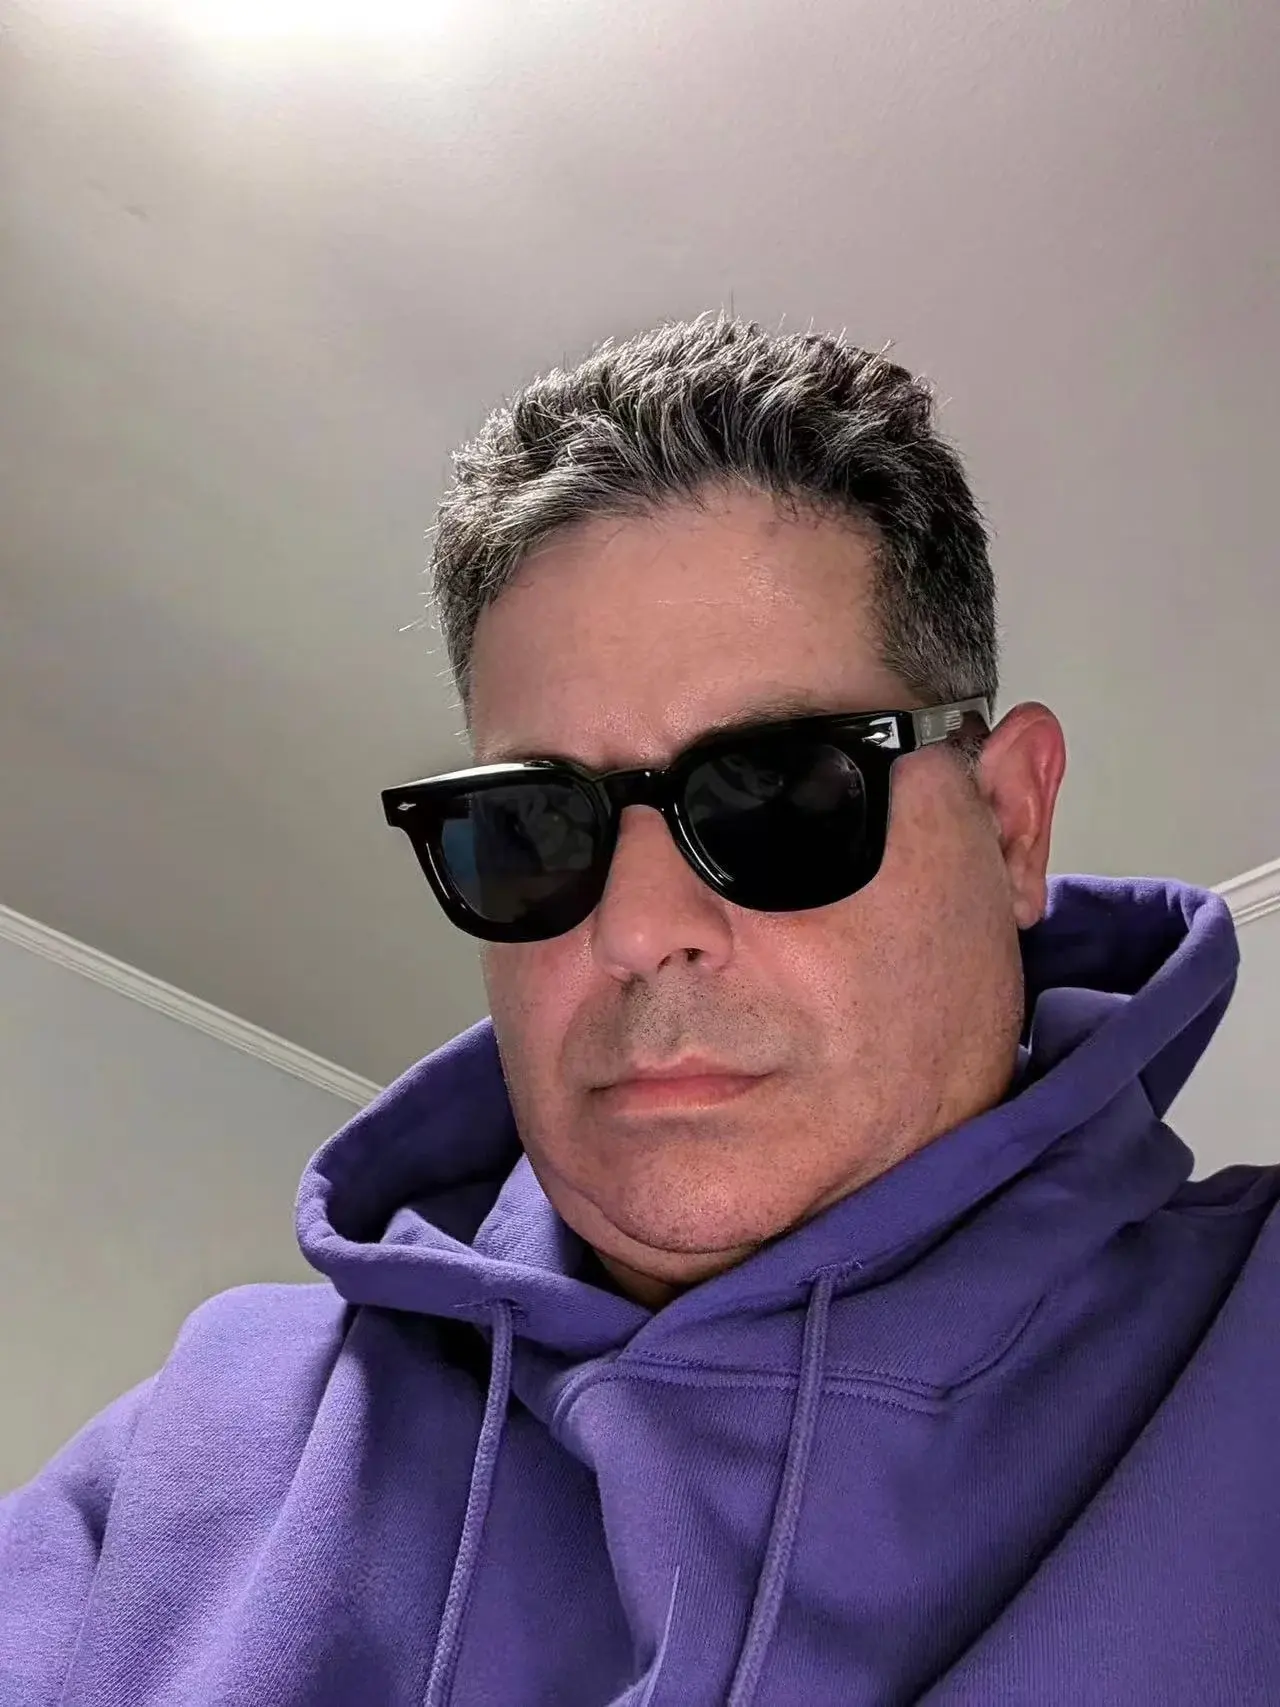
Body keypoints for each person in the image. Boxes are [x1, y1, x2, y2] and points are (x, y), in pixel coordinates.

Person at [2, 313, 1277, 1707]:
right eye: (537, 825)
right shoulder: (199, 1446)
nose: (632, 926)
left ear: (1011, 822)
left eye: (778, 792)